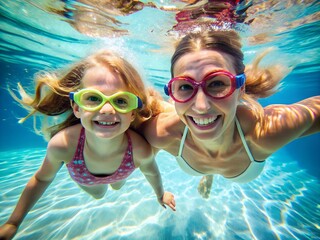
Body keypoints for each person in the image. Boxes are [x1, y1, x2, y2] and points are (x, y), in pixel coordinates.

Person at [0, 50, 176, 240]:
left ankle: (116, 183)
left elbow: (151, 171)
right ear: (77, 108)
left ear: (132, 113)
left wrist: (160, 194)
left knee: (117, 186)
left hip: (122, 171)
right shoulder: (63, 145)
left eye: (120, 101)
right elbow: (42, 179)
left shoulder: (139, 148)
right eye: (93, 98)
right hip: (87, 179)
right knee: (99, 194)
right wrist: (13, 222)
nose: (107, 110)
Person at [141, 30, 320, 198]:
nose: (201, 106)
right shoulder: (161, 132)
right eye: (185, 86)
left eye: (217, 83)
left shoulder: (266, 132)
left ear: (241, 88)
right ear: (172, 90)